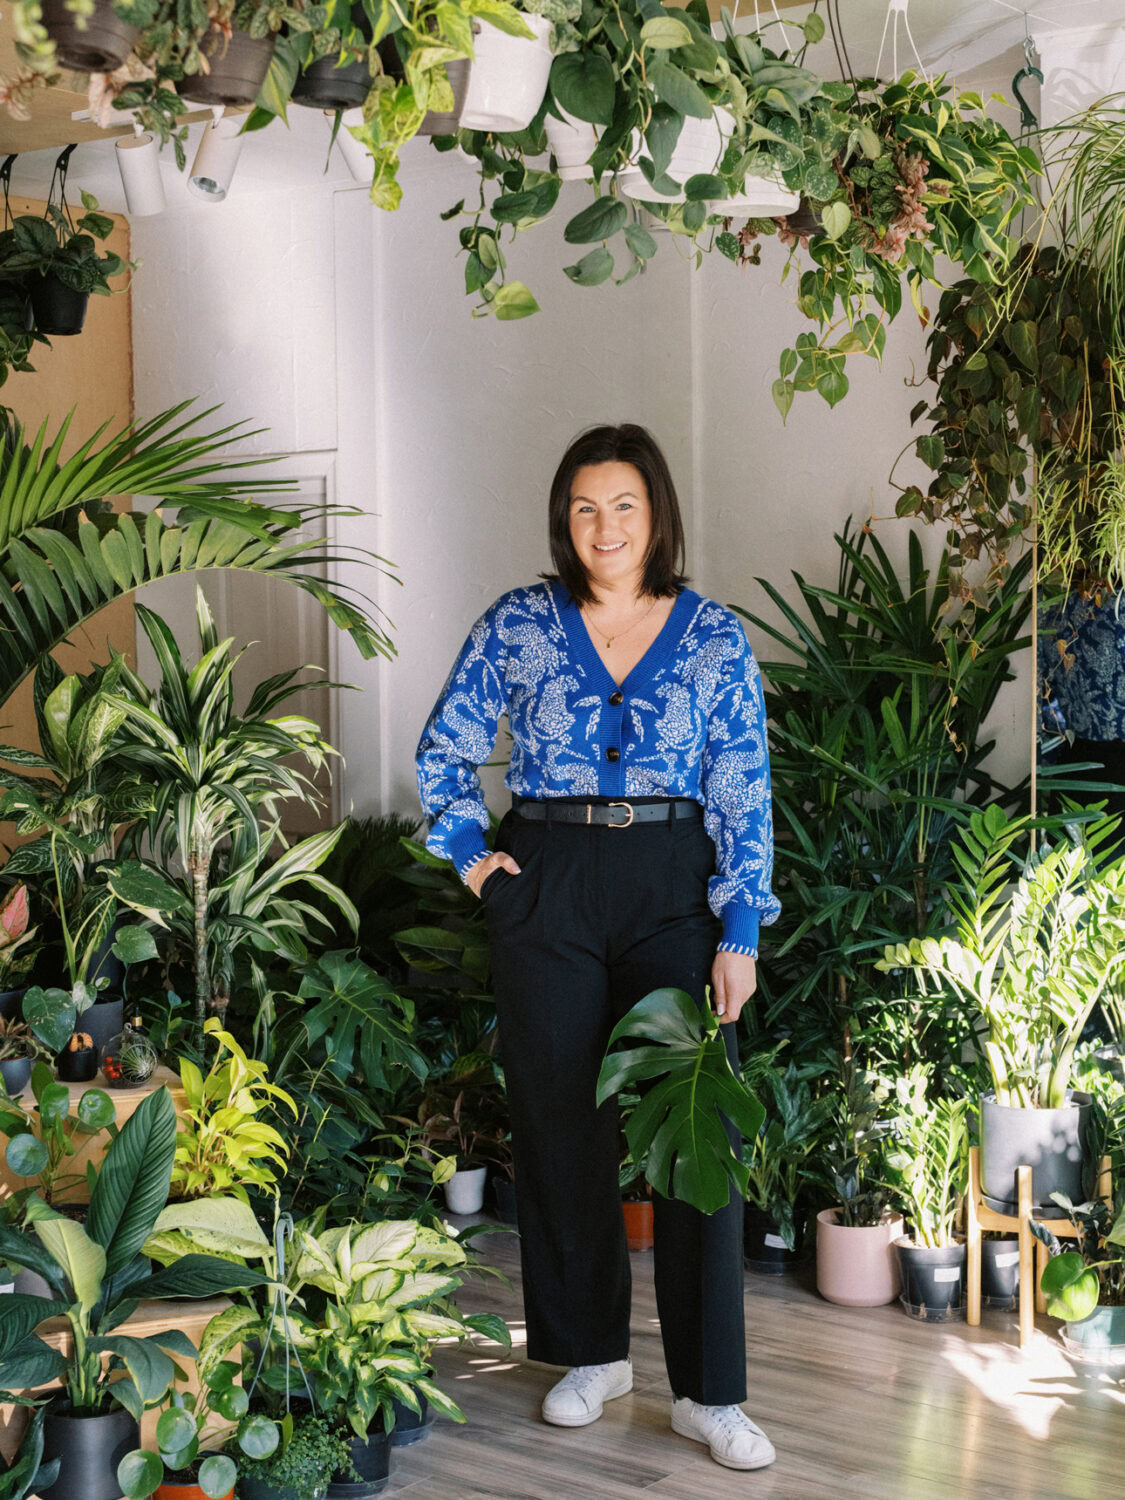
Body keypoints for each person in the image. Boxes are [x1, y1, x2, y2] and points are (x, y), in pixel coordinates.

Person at [415, 423, 780, 1473]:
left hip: (674, 887)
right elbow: (446, 746)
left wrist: (740, 929)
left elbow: (743, 787)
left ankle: (710, 1392)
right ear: (561, 520)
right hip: (549, 881)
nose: (603, 526)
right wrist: (474, 858)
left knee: (692, 1126)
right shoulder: (519, 625)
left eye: (622, 505)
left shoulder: (711, 637)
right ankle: (587, 1355)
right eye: (583, 507)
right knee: (560, 1122)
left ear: (655, 513)